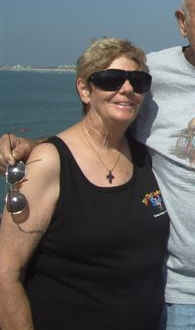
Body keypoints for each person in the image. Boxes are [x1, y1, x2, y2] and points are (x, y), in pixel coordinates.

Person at [0, 0, 195, 329]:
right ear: (182, 22)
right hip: (179, 296)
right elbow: (103, 125)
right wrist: (39, 146)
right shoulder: (147, 76)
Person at [0, 38, 169, 330]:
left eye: (138, 81)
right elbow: (5, 273)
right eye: (111, 79)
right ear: (84, 89)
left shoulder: (144, 155)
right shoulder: (49, 164)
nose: (126, 89)